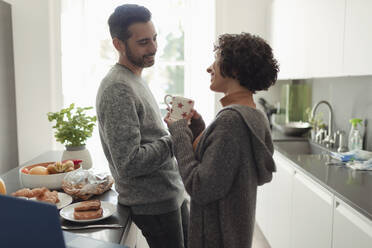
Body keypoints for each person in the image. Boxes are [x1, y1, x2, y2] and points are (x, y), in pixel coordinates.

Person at [164, 32, 279, 248]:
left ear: (234, 69)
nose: (209, 68)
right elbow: (223, 167)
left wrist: (179, 132)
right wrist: (199, 128)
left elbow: (200, 187)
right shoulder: (252, 113)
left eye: (215, 61)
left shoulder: (231, 121)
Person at [96, 4, 188, 248]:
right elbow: (129, 162)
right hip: (152, 204)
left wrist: (173, 128)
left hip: (169, 195)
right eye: (144, 42)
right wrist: (176, 138)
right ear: (118, 44)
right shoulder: (118, 88)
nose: (154, 47)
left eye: (155, 38)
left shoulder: (134, 78)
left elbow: (148, 138)